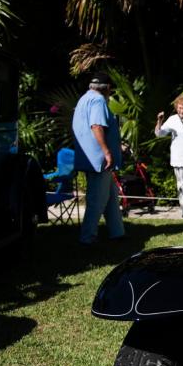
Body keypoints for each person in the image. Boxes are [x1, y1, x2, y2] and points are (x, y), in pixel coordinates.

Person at [72, 71, 125, 245]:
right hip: (99, 159)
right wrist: (107, 152)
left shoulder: (84, 99)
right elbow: (96, 126)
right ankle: (88, 238)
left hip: (90, 157)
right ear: (108, 88)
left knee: (110, 195)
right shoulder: (98, 100)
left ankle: (117, 233)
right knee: (97, 199)